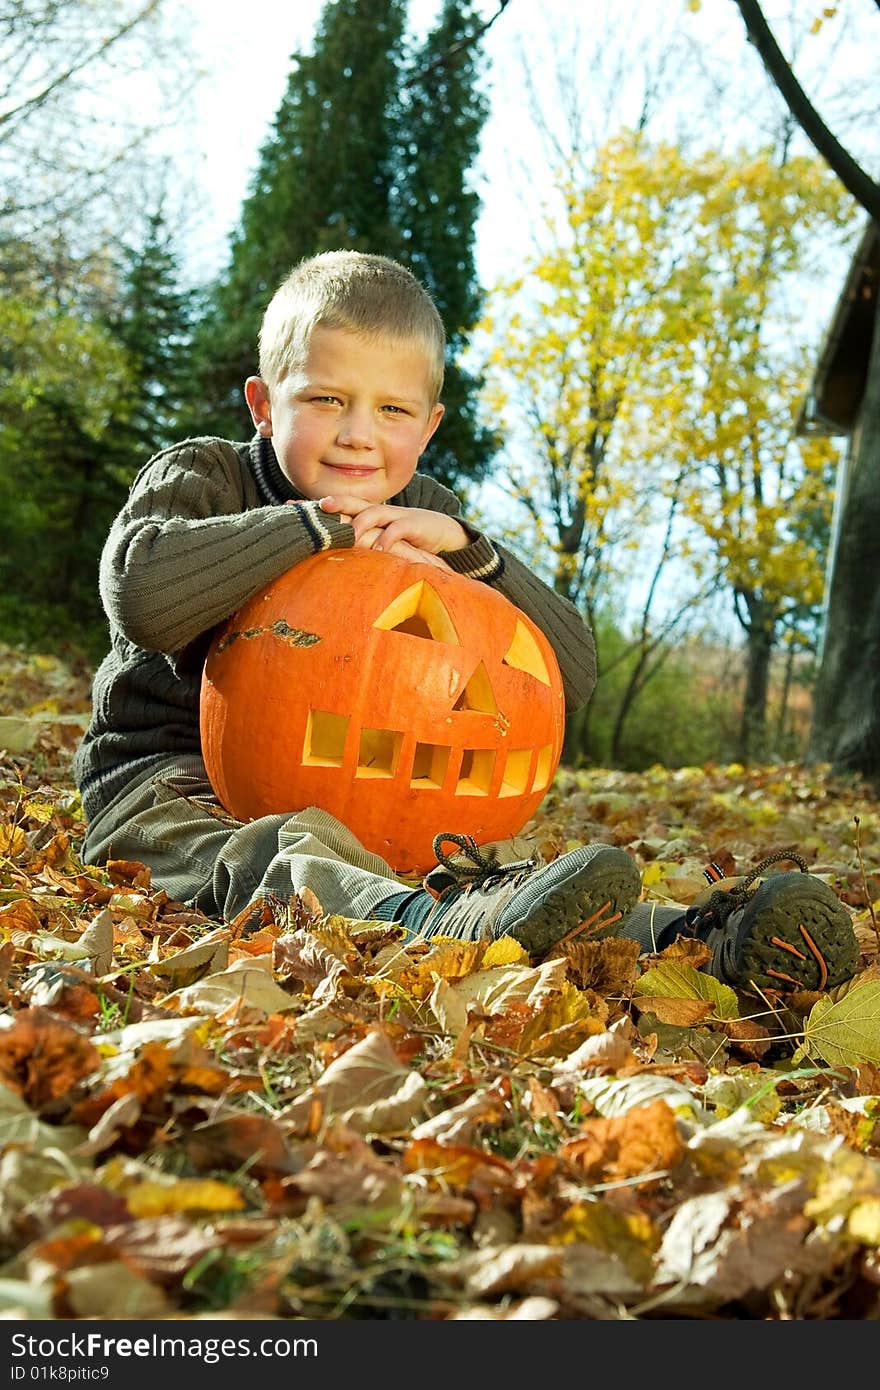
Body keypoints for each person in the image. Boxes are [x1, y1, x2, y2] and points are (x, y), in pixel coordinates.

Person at [72, 251, 859, 995]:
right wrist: (317, 527)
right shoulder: (206, 477)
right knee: (279, 851)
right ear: (264, 403)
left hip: (367, 809)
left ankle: (694, 940)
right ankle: (423, 923)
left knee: (474, 865)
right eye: (326, 399)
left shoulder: (428, 516)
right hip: (170, 791)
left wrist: (475, 554)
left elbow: (569, 675)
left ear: (429, 425)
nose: (358, 433)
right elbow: (142, 595)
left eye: (391, 410)